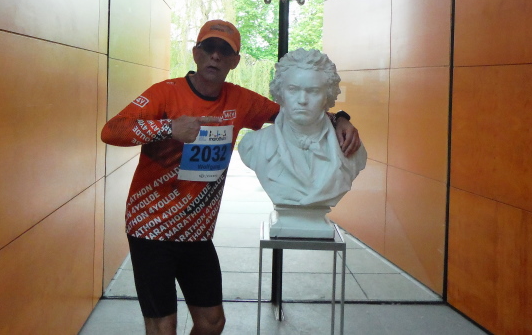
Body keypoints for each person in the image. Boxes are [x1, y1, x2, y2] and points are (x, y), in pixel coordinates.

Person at [101, 20, 361, 335]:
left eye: (224, 51)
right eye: (209, 48)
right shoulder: (165, 92)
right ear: (196, 53)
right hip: (151, 229)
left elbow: (295, 113)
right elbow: (111, 130)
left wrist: (340, 120)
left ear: (235, 61)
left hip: (197, 233)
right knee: (163, 327)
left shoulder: (240, 100)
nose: (216, 56)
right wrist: (169, 128)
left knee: (212, 323)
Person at [239, 49, 367, 238]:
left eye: (313, 91)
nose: (302, 100)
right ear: (280, 93)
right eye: (293, 89)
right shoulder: (253, 145)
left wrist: (341, 118)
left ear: (328, 96)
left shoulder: (353, 150)